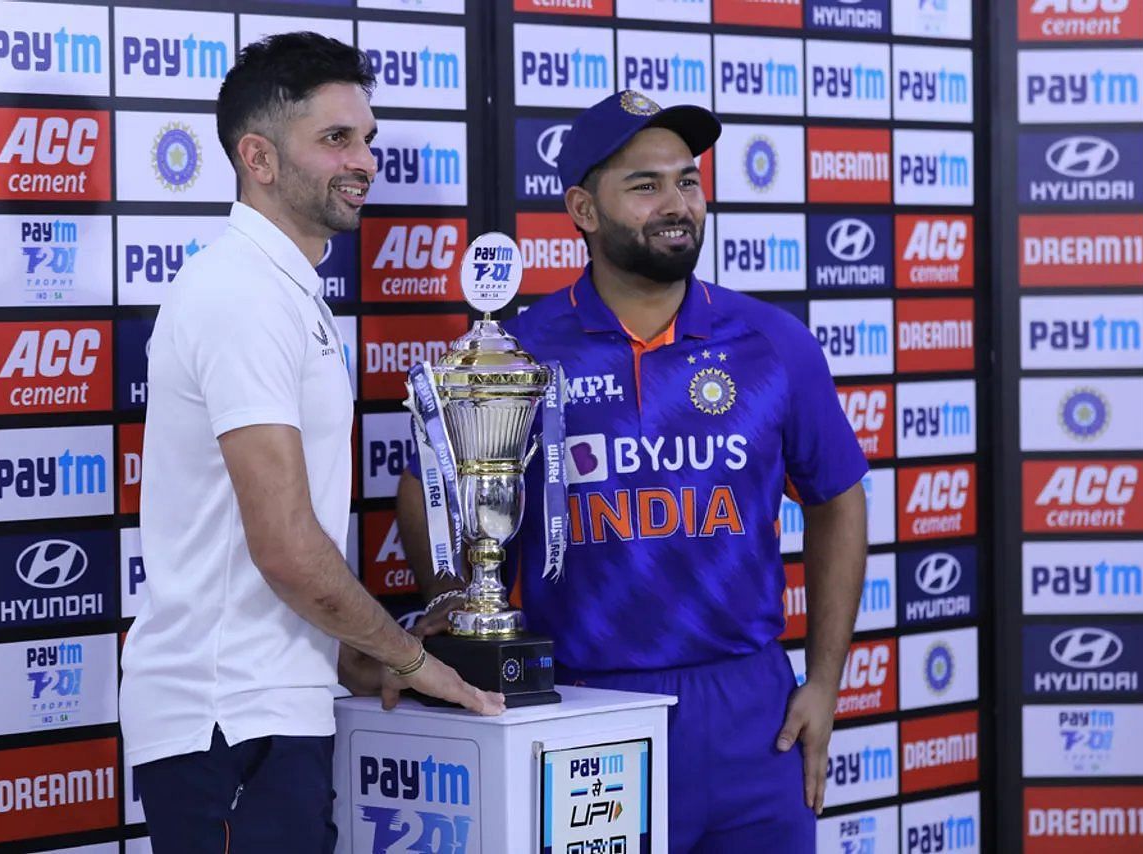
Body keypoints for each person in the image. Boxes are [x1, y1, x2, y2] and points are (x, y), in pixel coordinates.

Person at [397, 89, 869, 853]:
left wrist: (824, 681)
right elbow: (426, 487)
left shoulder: (773, 343)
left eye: (686, 180)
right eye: (644, 187)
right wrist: (455, 600)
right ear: (584, 209)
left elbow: (840, 500)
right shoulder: (519, 351)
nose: (675, 204)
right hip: (587, 703)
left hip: (752, 708)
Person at [119, 33, 503, 854]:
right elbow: (288, 549)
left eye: (368, 138)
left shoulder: (286, 291)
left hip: (267, 711)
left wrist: (347, 657)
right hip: (227, 721)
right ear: (257, 156)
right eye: (336, 139)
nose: (364, 160)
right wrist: (409, 660)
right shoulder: (241, 295)